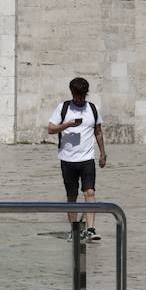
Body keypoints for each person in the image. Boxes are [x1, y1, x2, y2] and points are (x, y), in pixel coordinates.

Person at [46, 76, 107, 242]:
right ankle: (74, 229)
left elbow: (98, 132)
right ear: (72, 93)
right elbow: (51, 129)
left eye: (82, 95)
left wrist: (102, 153)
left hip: (87, 159)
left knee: (90, 192)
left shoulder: (92, 109)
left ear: (86, 94)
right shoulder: (63, 108)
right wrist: (67, 125)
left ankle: (91, 229)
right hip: (67, 159)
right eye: (76, 95)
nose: (79, 99)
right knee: (71, 196)